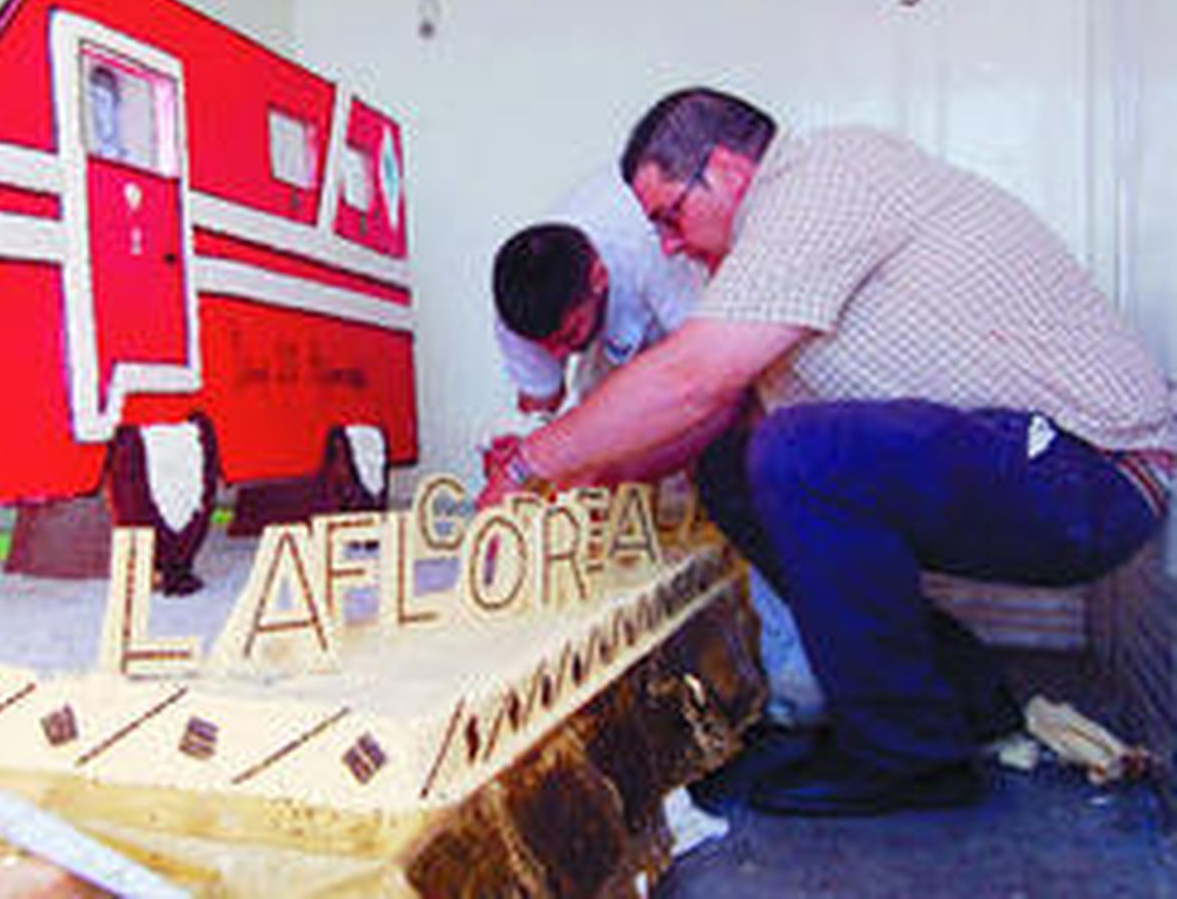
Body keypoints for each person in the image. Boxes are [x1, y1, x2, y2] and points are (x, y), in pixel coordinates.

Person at [481, 86, 1173, 816]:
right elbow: (709, 413)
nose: (666, 245)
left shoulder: (821, 181)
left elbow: (691, 377)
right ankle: (959, 706)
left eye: (670, 216)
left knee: (797, 452)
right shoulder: (770, 242)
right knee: (736, 465)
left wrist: (533, 464)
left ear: (724, 170)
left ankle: (906, 753)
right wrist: (586, 470)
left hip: (1098, 471)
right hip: (1038, 466)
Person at [492, 168, 700, 417]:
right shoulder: (517, 311)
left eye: (568, 335)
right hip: (611, 333)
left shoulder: (650, 245)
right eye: (545, 346)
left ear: (598, 276)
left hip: (686, 320)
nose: (559, 354)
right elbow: (542, 401)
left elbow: (702, 369)